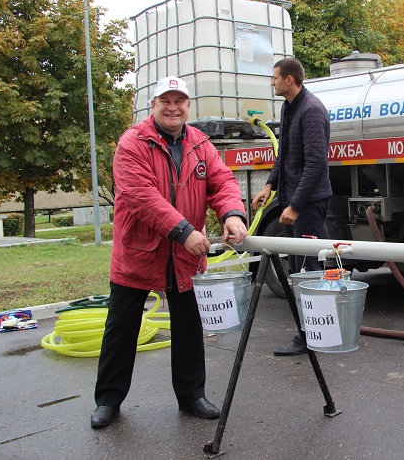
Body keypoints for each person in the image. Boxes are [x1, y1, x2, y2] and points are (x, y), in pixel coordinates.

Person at [90, 76, 248, 429]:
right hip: (139, 252)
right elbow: (139, 195)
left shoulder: (199, 143)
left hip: (183, 257)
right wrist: (183, 231)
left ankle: (192, 396)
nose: (173, 107)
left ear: (188, 106)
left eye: (180, 101)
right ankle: (108, 401)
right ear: (154, 105)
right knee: (122, 328)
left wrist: (233, 214)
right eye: (166, 100)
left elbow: (222, 182)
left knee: (190, 328)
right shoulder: (133, 142)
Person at [252, 58, 332, 356]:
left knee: (308, 271)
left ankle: (311, 337)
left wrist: (296, 206)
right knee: (300, 268)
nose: (272, 83)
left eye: (274, 78)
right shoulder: (289, 107)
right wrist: (269, 186)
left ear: (289, 79)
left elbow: (316, 164)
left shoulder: (311, 111)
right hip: (296, 198)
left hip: (310, 203)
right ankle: (312, 332)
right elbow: (283, 155)